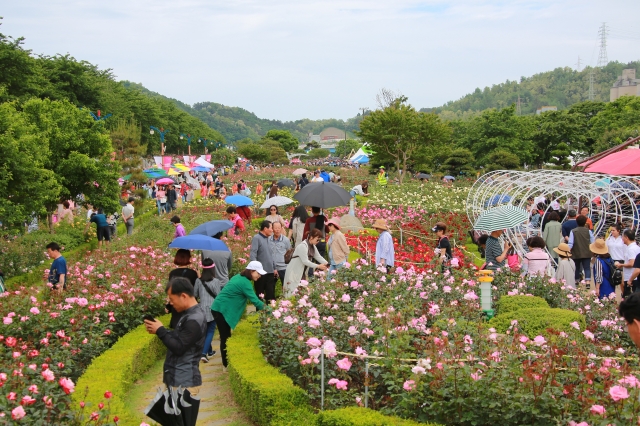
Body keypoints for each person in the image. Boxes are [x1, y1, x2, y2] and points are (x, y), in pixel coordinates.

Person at [143, 277, 207, 423]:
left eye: (172, 299)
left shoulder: (194, 319)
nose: (170, 303)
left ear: (183, 296)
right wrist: (160, 330)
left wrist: (160, 331)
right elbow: (180, 340)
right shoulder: (189, 315)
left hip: (184, 383)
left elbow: (179, 348)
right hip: (178, 380)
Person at [211, 261, 269, 370]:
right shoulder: (245, 283)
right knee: (225, 338)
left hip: (219, 307)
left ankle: (227, 363)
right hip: (221, 309)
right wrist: (271, 310)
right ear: (252, 271)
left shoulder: (239, 277)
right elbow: (256, 302)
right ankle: (226, 365)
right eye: (258, 273)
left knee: (226, 336)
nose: (260, 276)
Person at [283, 229, 328, 297]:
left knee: (301, 291)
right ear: (311, 237)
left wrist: (328, 264)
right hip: (293, 272)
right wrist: (318, 266)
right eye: (317, 240)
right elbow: (305, 261)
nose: (318, 242)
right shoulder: (303, 246)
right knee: (291, 292)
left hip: (301, 272)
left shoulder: (313, 246)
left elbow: (318, 257)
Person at [193, 258, 222, 362]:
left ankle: (209, 351)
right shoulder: (216, 281)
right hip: (213, 308)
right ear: (213, 268)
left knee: (205, 331)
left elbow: (195, 295)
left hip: (201, 309)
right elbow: (219, 296)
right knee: (210, 331)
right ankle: (203, 354)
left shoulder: (198, 281)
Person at [250, 221, 277, 302]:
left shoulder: (268, 239)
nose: (272, 230)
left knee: (270, 294)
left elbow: (271, 255)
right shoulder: (257, 238)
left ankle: (271, 313)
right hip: (260, 273)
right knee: (260, 294)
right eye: (271, 228)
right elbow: (253, 254)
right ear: (265, 229)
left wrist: (274, 268)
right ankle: (260, 313)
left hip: (270, 271)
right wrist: (255, 270)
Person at [568, 215, 595, 284]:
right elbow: (592, 241)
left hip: (576, 252)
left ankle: (576, 280)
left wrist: (568, 250)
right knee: (587, 268)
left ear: (577, 222)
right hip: (586, 252)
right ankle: (588, 281)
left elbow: (571, 243)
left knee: (576, 267)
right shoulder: (588, 231)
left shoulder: (573, 231)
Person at [615, 229, 640, 297]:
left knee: (629, 297)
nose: (622, 239)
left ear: (626, 238)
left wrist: (621, 265)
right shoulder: (637, 247)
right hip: (634, 277)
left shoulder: (631, 249)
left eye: (622, 237)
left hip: (631, 276)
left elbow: (632, 263)